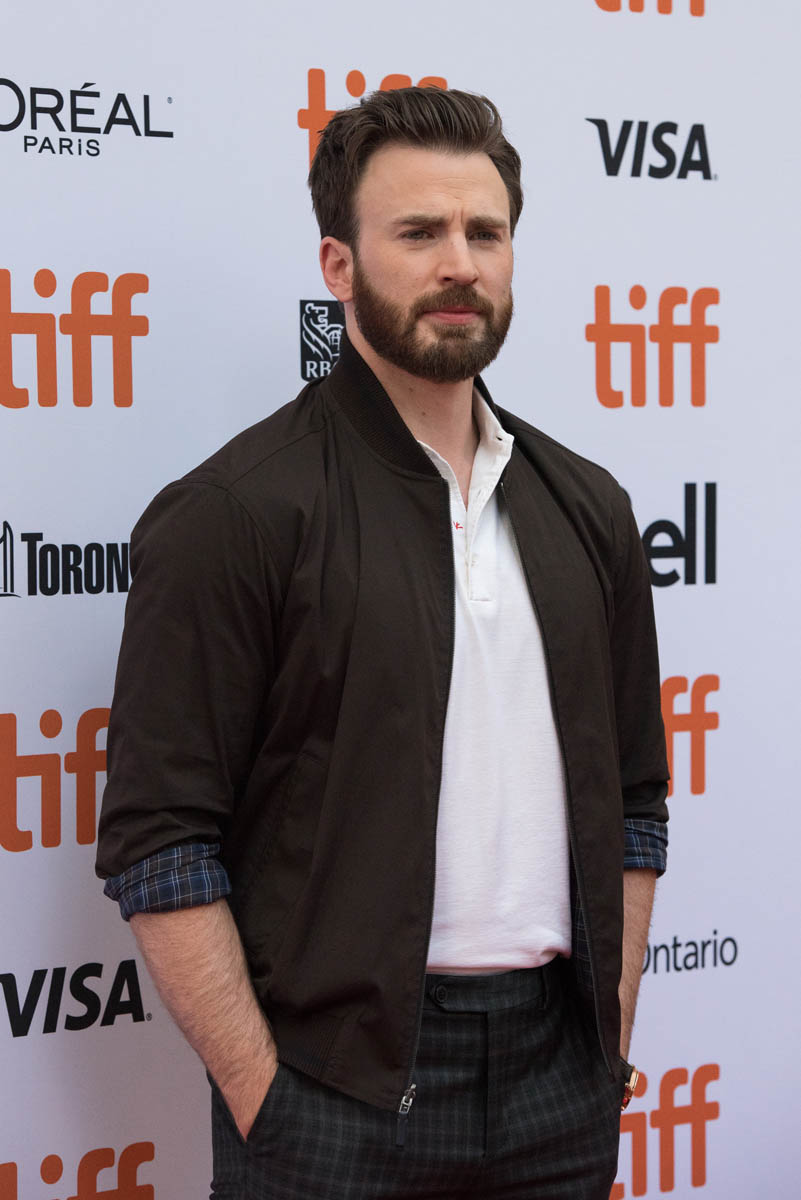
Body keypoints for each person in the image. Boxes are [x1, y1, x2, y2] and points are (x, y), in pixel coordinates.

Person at [96, 86, 669, 1199]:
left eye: (484, 233)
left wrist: (609, 1038)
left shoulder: (588, 508)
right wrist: (263, 1094)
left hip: (560, 1085)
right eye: (418, 232)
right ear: (339, 264)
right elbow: (160, 841)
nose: (460, 264)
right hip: (329, 1096)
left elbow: (636, 803)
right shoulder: (236, 511)